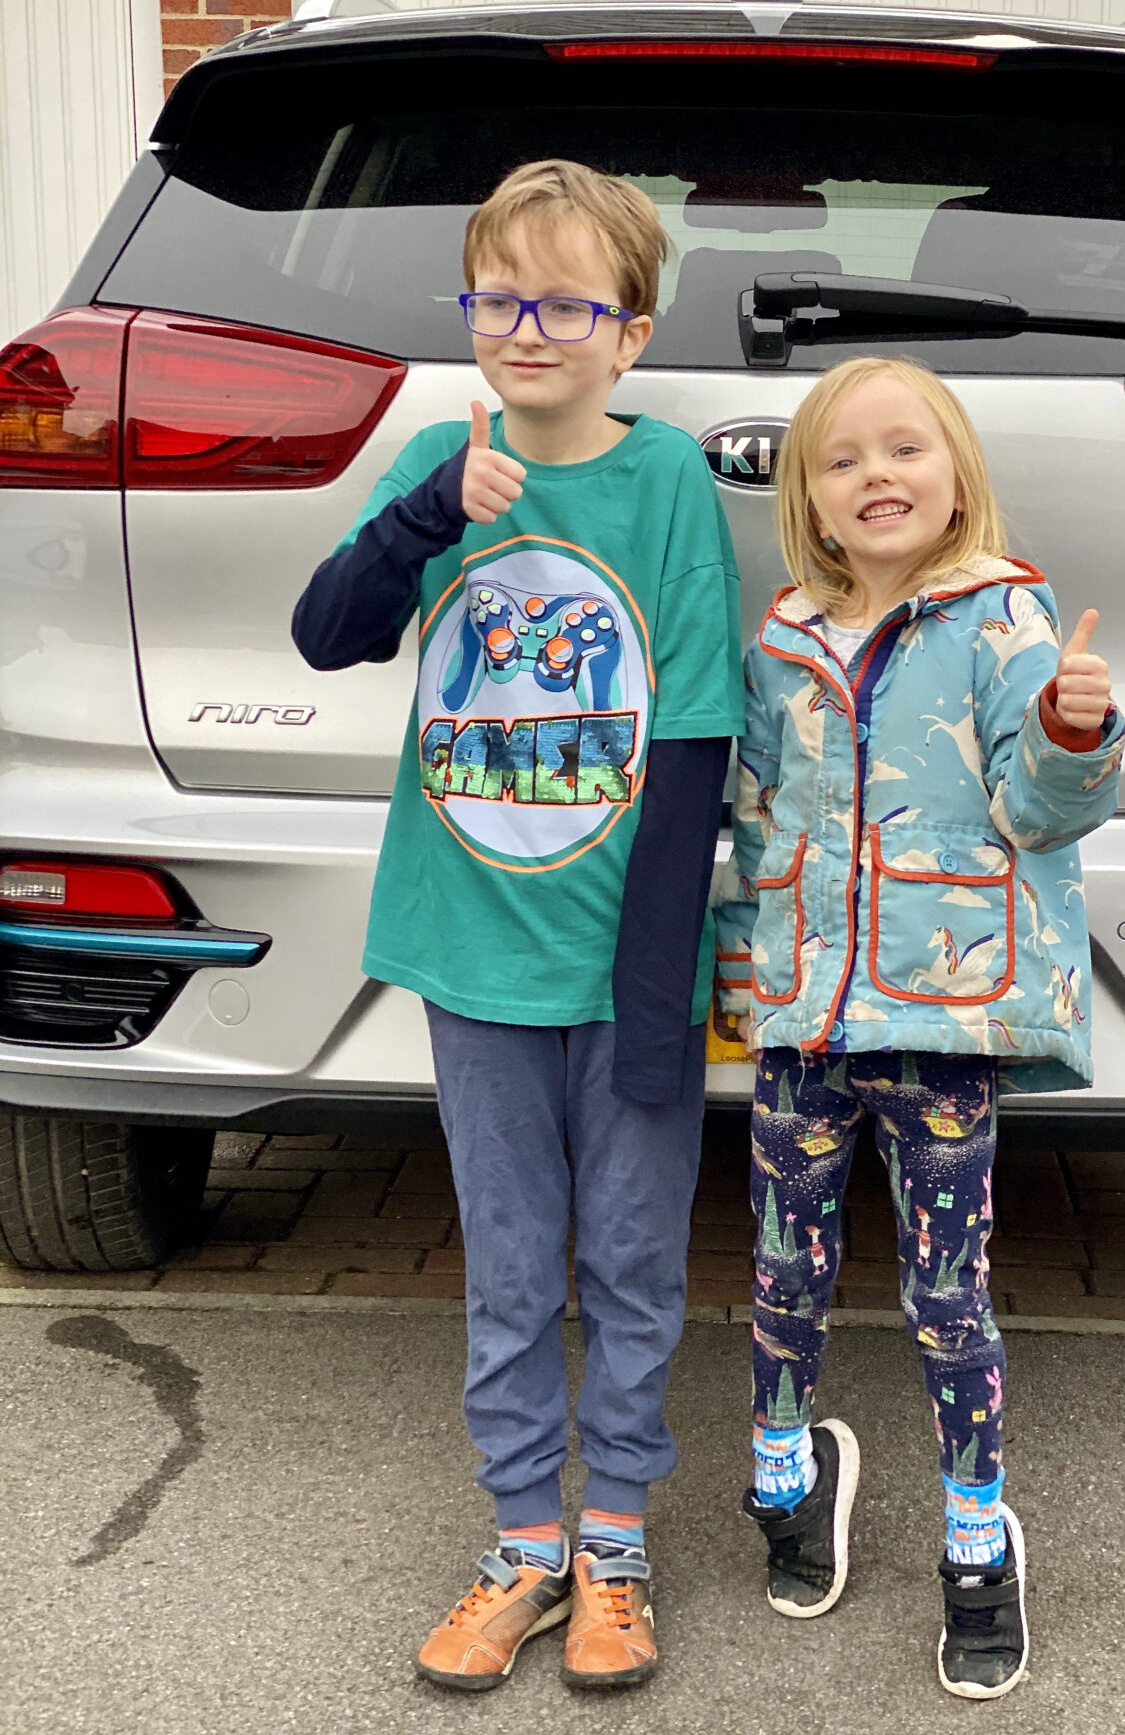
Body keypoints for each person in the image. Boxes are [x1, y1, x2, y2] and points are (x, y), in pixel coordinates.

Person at [292, 160, 743, 1693]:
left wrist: (660, 975)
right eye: (501, 297)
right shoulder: (439, 453)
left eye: (568, 302)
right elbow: (332, 631)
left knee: (629, 1258)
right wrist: (431, 510)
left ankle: (614, 1533)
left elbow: (690, 726)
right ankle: (524, 1543)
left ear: (632, 330)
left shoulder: (666, 477)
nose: (530, 328)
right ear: (471, 311)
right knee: (509, 1256)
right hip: (471, 945)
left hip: (627, 959)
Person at [713, 355, 1125, 1700]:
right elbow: (755, 820)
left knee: (947, 1296)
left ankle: (974, 1539)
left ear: (956, 481)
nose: (875, 476)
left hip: (941, 1021)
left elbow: (1046, 814)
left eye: (905, 450)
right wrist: (744, 972)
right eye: (841, 460)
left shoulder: (1002, 620)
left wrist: (1075, 729)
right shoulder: (784, 639)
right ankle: (789, 1467)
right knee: (782, 1273)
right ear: (811, 504)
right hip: (806, 1022)